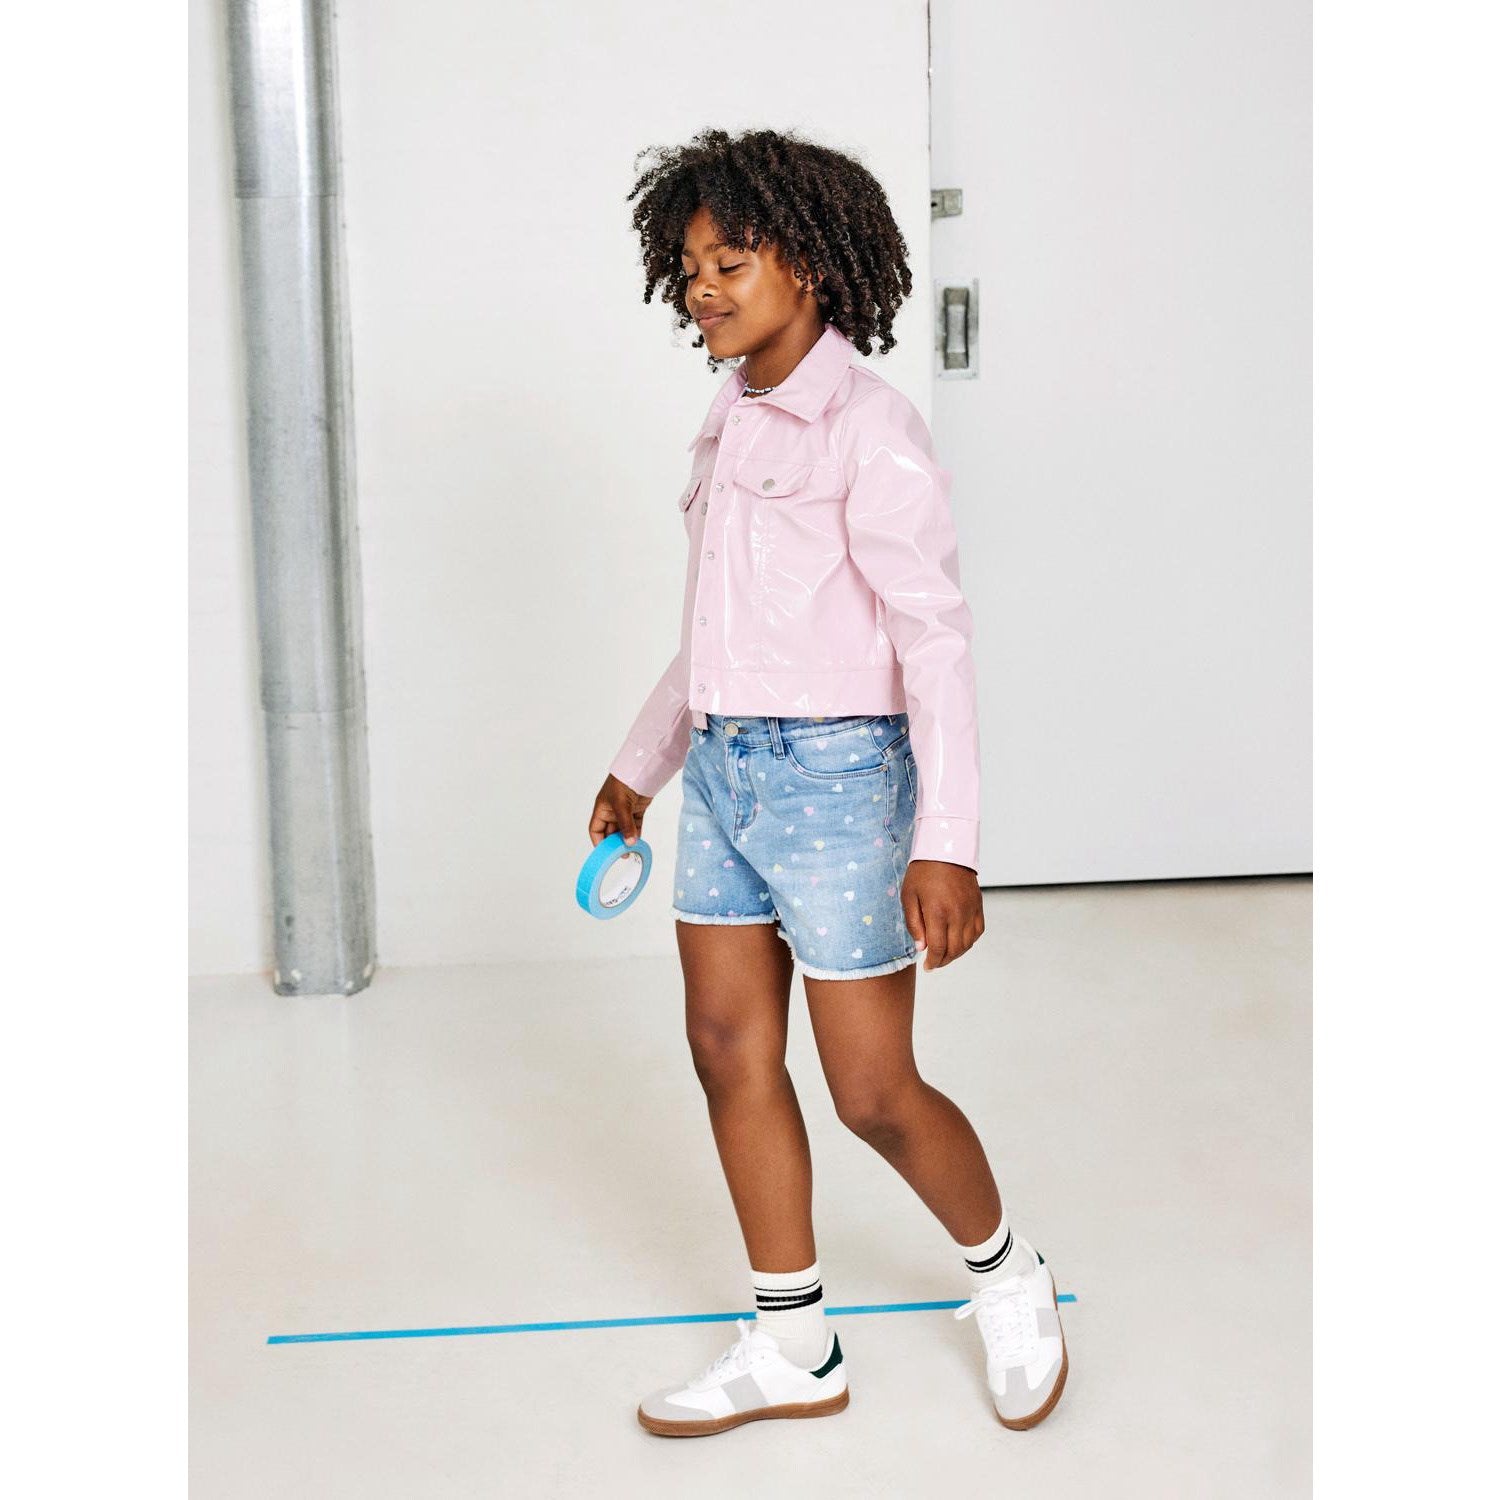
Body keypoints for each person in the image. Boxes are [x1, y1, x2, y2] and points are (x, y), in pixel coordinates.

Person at [589, 127, 1067, 1436]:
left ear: (806, 261)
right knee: (725, 1047)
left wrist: (948, 839)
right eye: (690, 267)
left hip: (842, 785)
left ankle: (1007, 1273)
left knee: (871, 1092)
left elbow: (935, 641)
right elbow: (715, 633)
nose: (703, 289)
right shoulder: (727, 419)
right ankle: (793, 1343)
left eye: (730, 262)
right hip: (725, 776)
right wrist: (641, 766)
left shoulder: (873, 431)